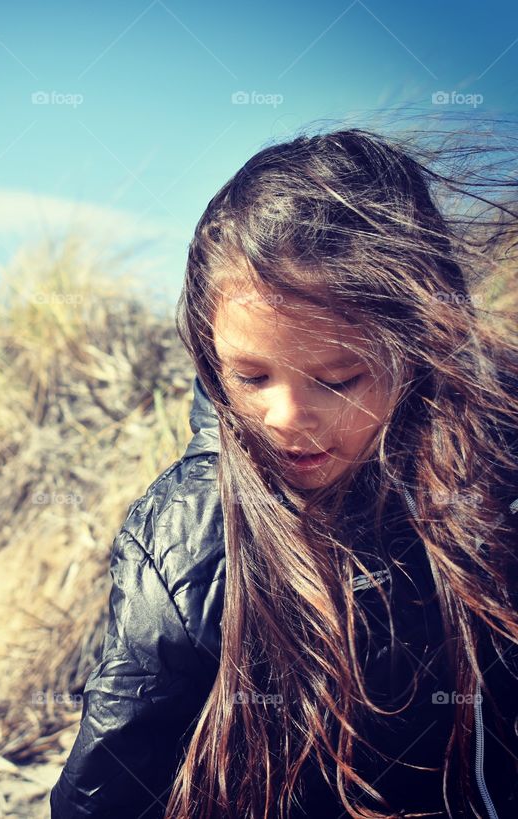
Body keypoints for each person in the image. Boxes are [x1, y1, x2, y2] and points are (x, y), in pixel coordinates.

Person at [49, 125, 518, 819]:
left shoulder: (489, 479)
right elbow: (116, 770)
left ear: (419, 343)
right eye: (251, 375)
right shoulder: (195, 528)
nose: (287, 416)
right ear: (211, 353)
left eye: (338, 378)